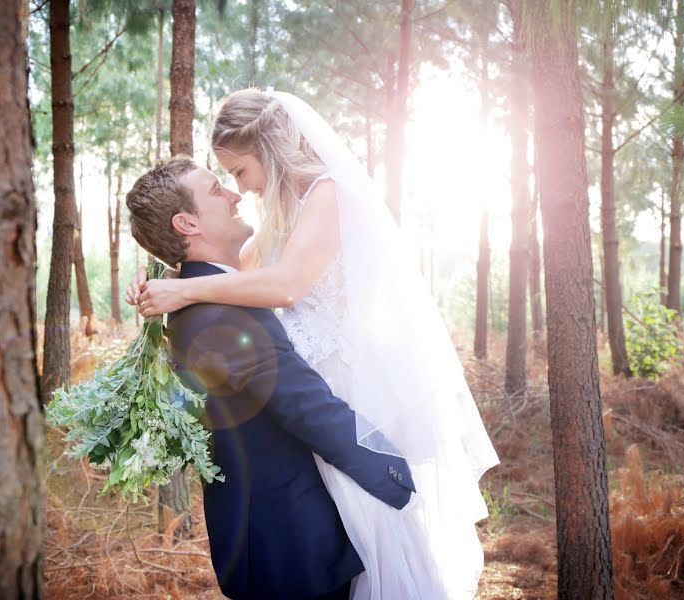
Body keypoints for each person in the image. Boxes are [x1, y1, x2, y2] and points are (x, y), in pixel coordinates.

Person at [128, 89, 500, 599]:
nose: (238, 191)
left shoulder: (318, 199)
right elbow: (248, 287)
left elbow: (274, 283)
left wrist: (180, 285)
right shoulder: (226, 288)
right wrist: (170, 281)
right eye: (225, 183)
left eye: (237, 173)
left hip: (349, 401)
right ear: (188, 221)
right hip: (317, 459)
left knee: (381, 557)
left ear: (267, 147)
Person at [125, 155, 416, 600]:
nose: (235, 193)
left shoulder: (193, 296)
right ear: (187, 223)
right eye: (216, 190)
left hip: (276, 542)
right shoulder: (217, 315)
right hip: (290, 549)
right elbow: (304, 405)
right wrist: (393, 470)